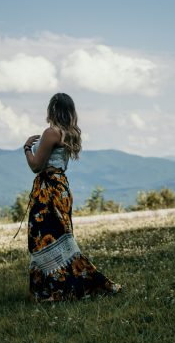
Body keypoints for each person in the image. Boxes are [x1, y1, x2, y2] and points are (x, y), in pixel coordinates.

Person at [22, 93, 122, 302]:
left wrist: (27, 149)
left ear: (52, 109)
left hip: (48, 190)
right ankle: (66, 287)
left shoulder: (51, 132)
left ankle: (51, 290)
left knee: (41, 238)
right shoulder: (70, 133)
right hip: (62, 189)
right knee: (62, 238)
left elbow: (36, 166)